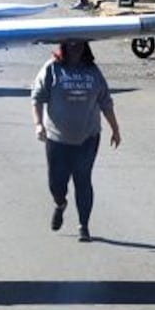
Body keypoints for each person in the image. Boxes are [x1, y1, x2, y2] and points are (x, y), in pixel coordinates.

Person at [30, 41, 120, 242]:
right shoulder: (52, 68)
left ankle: (84, 226)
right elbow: (37, 97)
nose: (76, 49)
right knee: (56, 183)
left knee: (83, 179)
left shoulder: (92, 71)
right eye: (71, 45)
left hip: (87, 137)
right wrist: (38, 124)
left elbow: (105, 100)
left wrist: (115, 128)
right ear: (64, 46)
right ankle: (60, 204)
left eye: (80, 45)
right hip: (57, 139)